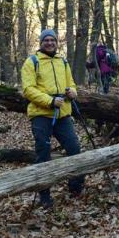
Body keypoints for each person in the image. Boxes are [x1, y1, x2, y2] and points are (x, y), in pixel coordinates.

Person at [20, 29, 84, 209]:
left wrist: (73, 92)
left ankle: (76, 187)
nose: (49, 43)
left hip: (63, 114)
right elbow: (28, 89)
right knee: (43, 153)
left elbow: (71, 83)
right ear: (41, 43)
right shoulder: (32, 62)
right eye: (46, 40)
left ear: (56, 42)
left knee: (74, 148)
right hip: (41, 115)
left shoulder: (62, 61)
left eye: (52, 40)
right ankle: (45, 196)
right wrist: (49, 101)